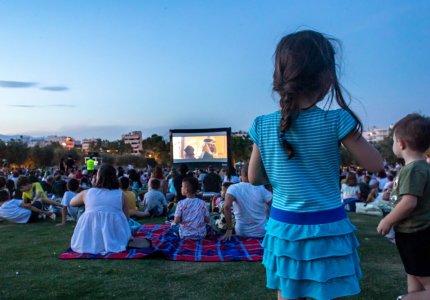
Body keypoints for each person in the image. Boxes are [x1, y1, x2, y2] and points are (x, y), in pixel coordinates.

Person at [248, 30, 383, 300]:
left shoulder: (261, 125)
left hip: (284, 227)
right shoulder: (337, 121)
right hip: (327, 227)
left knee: (287, 292)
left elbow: (253, 178)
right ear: (326, 76)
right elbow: (376, 164)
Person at [377, 114, 430, 300]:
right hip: (413, 234)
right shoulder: (422, 167)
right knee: (414, 276)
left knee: (425, 281)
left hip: (415, 234)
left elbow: (409, 203)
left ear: (401, 144)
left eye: (392, 141)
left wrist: (387, 220)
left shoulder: (413, 169)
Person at [70, 163, 131, 254]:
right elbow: (126, 219)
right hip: (116, 237)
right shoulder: (122, 195)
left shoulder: (87, 193)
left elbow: (71, 203)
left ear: (98, 177)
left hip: (86, 240)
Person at [223, 164, 272, 239]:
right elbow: (274, 204)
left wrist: (229, 228)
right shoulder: (261, 188)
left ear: (240, 174)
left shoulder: (233, 188)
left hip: (241, 232)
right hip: (261, 232)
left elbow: (226, 207)